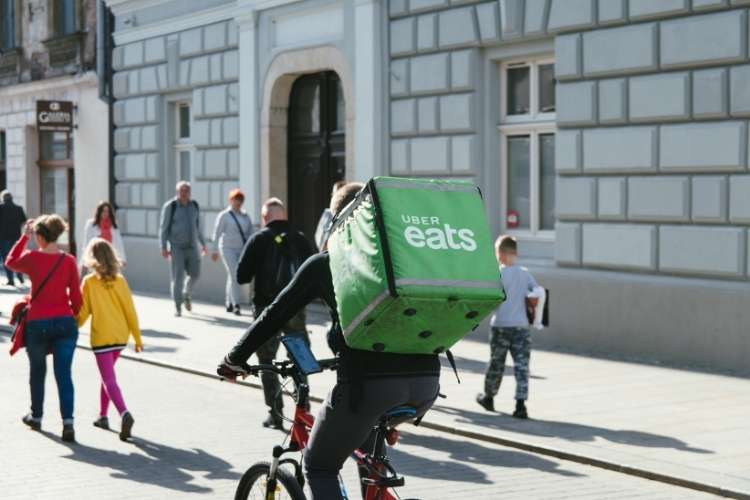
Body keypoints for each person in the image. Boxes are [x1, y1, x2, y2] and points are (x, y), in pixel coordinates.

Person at [218, 183, 441, 500]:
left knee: (319, 465)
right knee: (368, 459)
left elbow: (274, 314)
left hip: (369, 386)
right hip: (426, 383)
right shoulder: (406, 261)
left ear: (339, 221)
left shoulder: (328, 263)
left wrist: (233, 359)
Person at [233, 197, 315, 429]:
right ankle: (304, 409)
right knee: (300, 359)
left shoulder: (258, 239)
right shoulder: (300, 239)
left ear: (264, 218)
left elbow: (242, 277)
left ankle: (276, 412)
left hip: (266, 310)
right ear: (284, 215)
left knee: (266, 362)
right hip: (296, 310)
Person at [5, 215, 82, 442]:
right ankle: (68, 424)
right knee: (64, 375)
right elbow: (77, 298)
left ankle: (36, 417)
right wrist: (72, 315)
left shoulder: (32, 257)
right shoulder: (68, 261)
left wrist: (23, 238)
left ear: (39, 235)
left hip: (38, 323)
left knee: (38, 372)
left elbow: (10, 261)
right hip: (65, 323)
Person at [77, 238, 143, 441]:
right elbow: (130, 310)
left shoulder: (89, 282)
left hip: (102, 337)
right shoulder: (120, 280)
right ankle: (103, 416)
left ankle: (124, 413)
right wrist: (137, 338)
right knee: (108, 377)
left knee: (108, 379)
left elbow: (83, 312)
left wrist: (71, 327)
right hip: (120, 336)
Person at [476, 235, 541, 419]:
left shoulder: (497, 274)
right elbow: (537, 293)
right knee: (522, 366)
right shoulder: (525, 273)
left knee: (496, 363)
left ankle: (489, 397)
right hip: (521, 327)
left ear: (501, 254)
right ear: (515, 254)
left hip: (501, 326)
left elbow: (490, 300)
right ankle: (521, 405)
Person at [159, 181, 207, 316]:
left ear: (190, 192)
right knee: (178, 277)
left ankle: (186, 293)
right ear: (177, 192)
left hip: (192, 247)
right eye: (181, 191)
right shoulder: (171, 206)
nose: (184, 193)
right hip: (176, 247)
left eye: (186, 191)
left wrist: (203, 244)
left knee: (195, 274)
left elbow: (198, 227)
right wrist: (163, 246)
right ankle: (177, 306)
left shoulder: (194, 206)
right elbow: (164, 228)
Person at [211, 189, 253, 315]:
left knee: (232, 275)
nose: (238, 202)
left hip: (241, 249)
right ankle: (236, 304)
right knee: (235, 275)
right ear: (231, 200)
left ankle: (228, 302)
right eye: (236, 199)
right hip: (227, 248)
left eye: (240, 199)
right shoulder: (225, 215)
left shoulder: (245, 216)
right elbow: (217, 233)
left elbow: (250, 233)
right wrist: (214, 250)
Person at [80, 201, 127, 274]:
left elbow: (119, 242)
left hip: (110, 257)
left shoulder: (113, 225)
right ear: (99, 212)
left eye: (108, 211)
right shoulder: (91, 225)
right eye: (103, 211)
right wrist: (84, 261)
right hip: (96, 257)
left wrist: (122, 258)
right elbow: (86, 244)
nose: (106, 213)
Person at [0, 190, 27, 286]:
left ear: (3, 198)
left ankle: (10, 279)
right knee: (16, 257)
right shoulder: (18, 208)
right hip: (16, 236)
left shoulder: (1, 208)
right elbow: (24, 221)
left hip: (3, 237)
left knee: (6, 258)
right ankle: (19, 275)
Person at [313, 180, 346, 251]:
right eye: (334, 194)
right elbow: (318, 237)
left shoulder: (350, 214)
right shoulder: (327, 214)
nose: (334, 198)